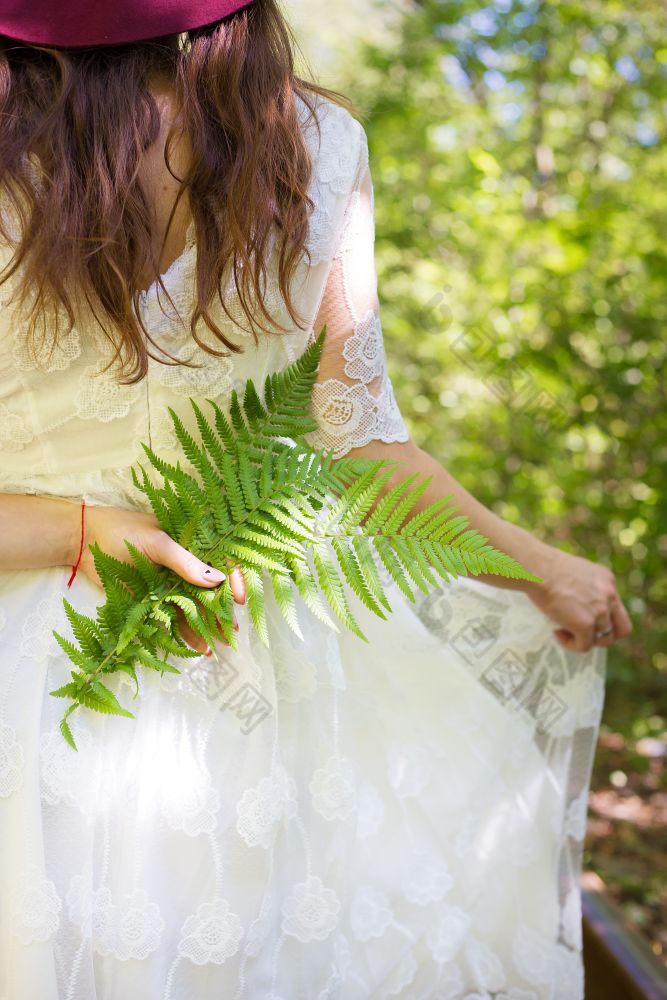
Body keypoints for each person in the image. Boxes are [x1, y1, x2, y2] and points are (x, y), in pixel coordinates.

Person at [0, 2, 631, 998]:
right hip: (255, 664)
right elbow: (362, 446)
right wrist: (538, 567)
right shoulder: (311, 147)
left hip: (32, 671)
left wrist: (79, 531)